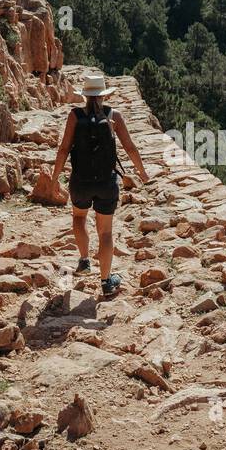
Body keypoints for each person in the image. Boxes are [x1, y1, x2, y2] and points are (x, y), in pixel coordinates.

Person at [50, 72, 149, 296]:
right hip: (106, 183)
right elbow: (130, 147)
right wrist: (142, 173)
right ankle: (106, 282)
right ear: (103, 95)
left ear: (85, 96)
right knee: (105, 232)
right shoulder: (114, 115)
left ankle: (84, 260)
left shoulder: (74, 116)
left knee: (79, 217)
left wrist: (55, 177)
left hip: (80, 182)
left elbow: (64, 149)